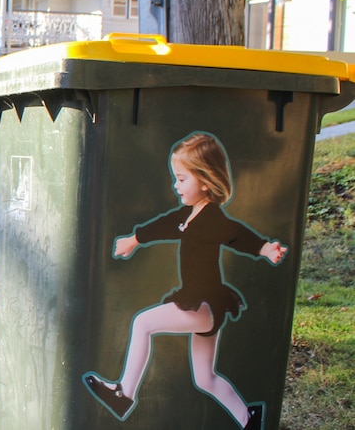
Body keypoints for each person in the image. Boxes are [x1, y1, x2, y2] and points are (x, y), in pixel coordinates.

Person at [82, 132, 288, 430]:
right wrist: (135, 239)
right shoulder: (189, 216)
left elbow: (237, 234)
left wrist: (264, 248)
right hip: (207, 304)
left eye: (181, 179)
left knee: (143, 323)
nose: (175, 185)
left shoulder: (213, 219)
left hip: (203, 303)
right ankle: (249, 420)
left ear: (205, 181)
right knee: (206, 378)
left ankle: (124, 393)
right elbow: (165, 225)